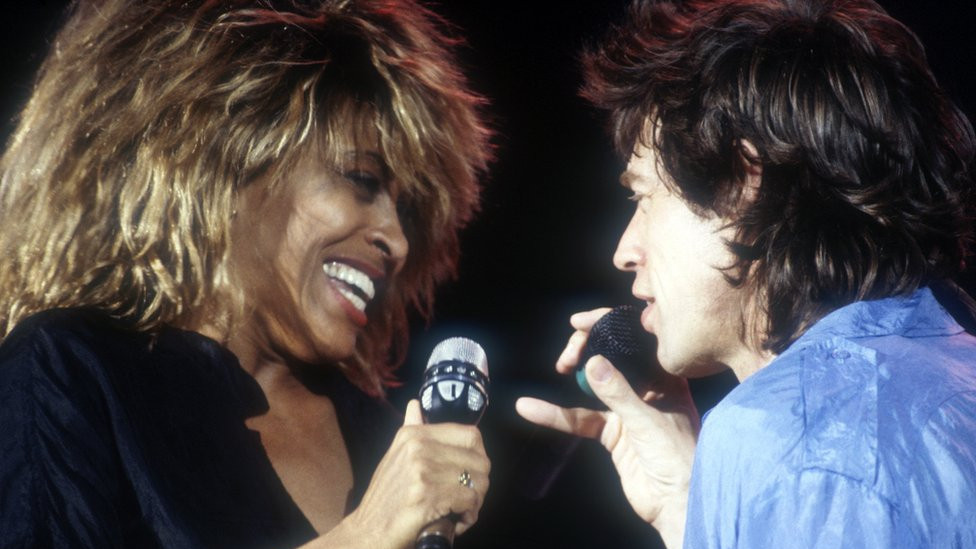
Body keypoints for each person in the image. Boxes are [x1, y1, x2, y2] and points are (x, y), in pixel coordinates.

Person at [0, 1, 492, 548]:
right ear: (227, 159)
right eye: (361, 179)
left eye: (405, 212)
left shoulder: (393, 433)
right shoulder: (70, 373)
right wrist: (365, 535)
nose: (396, 241)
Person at [516, 0, 976, 547]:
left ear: (742, 183)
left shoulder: (786, 432)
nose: (625, 250)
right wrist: (690, 506)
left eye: (643, 195)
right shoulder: (951, 365)